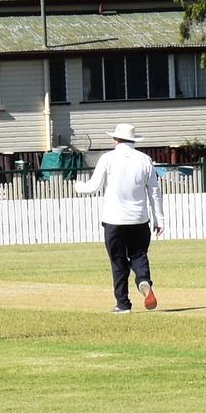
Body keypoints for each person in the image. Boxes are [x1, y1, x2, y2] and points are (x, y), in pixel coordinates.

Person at [73, 123, 165, 314]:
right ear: (133, 140)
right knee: (139, 255)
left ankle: (123, 304)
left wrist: (78, 186)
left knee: (118, 261)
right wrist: (159, 219)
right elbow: (154, 192)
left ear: (115, 139)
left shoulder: (108, 158)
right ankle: (143, 280)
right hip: (139, 219)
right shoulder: (145, 160)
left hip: (114, 219)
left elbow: (93, 186)